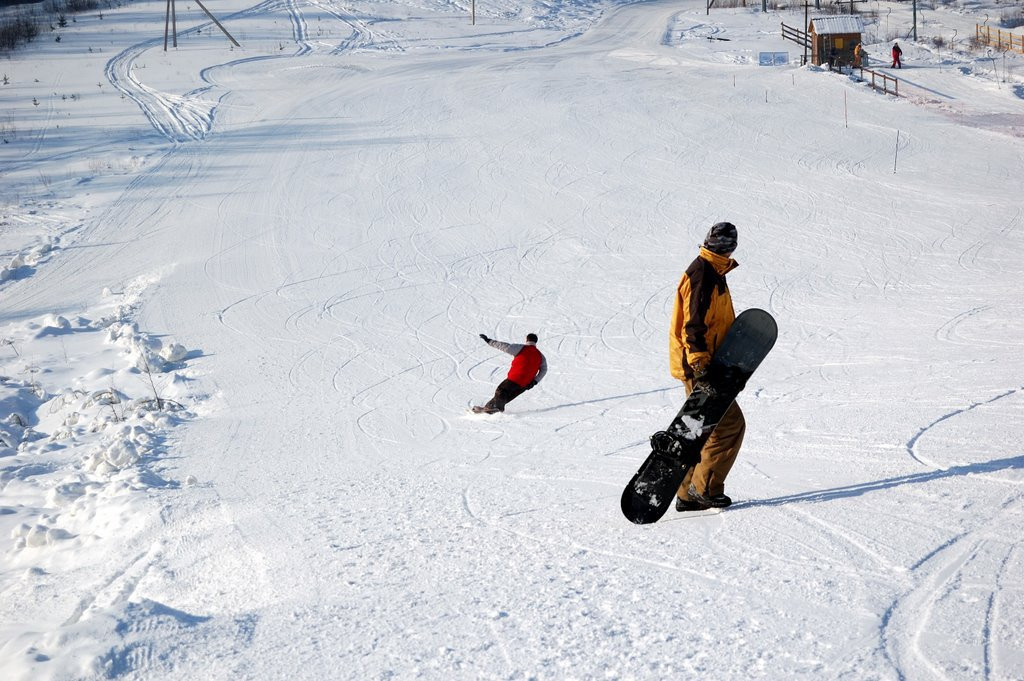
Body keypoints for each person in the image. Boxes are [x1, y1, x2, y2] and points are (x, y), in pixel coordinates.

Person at [668, 222, 745, 510]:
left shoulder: (711, 271)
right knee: (728, 427)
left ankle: (688, 493)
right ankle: (705, 489)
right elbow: (693, 325)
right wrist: (701, 366)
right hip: (701, 367)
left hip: (706, 364)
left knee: (702, 429)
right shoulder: (703, 275)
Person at [475, 333, 547, 414]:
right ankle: (489, 408)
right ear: (535, 341)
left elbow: (504, 346)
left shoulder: (521, 348)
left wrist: (489, 341)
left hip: (515, 378)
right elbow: (544, 369)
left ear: (527, 339)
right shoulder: (541, 356)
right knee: (504, 397)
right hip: (526, 384)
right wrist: (535, 381)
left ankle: (496, 410)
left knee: (501, 391)